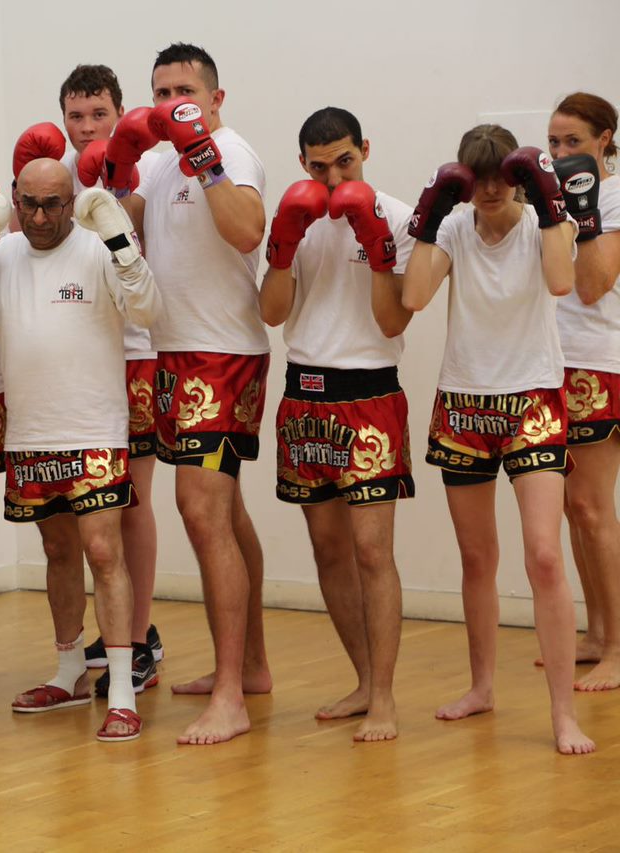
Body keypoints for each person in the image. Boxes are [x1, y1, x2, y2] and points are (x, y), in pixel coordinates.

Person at [401, 123, 594, 754]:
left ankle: (564, 713)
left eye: (496, 178)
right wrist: (429, 219)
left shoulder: (545, 222)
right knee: (477, 557)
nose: (486, 190)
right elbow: (415, 295)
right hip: (464, 402)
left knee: (543, 554)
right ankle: (482, 686)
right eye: (474, 178)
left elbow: (563, 283)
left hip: (532, 399)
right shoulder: (456, 227)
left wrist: (549, 205)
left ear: (515, 176)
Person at [0, 159, 161, 741]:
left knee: (102, 549)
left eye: (53, 205)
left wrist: (120, 238)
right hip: (30, 431)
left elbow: (147, 310)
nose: (40, 217)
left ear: (73, 202)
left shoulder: (97, 248)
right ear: (14, 200)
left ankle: (120, 689)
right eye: (28, 204)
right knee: (57, 550)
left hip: (93, 427)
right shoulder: (2, 254)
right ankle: (68, 670)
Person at [119, 43, 270, 744]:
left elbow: (247, 230)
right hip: (173, 352)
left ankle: (233, 694)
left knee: (199, 509)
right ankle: (252, 667)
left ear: (215, 97)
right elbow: (122, 238)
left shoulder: (232, 150)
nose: (171, 100)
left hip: (224, 354)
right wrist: (117, 168)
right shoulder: (151, 158)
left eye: (184, 89)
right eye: (160, 91)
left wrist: (200, 153)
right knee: (226, 512)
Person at [258, 108, 415, 741]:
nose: (332, 176)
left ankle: (386, 697)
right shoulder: (296, 210)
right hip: (304, 394)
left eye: (344, 162)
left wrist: (377, 248)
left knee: (373, 552)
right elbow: (273, 314)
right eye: (319, 166)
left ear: (365, 151)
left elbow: (393, 322)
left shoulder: (399, 217)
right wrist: (281, 246)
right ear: (303, 164)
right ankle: (362, 680)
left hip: (370, 392)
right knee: (328, 551)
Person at [56, 63, 165, 697]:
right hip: (77, 355)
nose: (88, 126)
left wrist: (114, 180)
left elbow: (135, 229)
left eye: (100, 114)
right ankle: (106, 632)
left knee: (134, 501)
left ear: (120, 115)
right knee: (87, 507)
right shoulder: (53, 174)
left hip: (135, 350)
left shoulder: (144, 165)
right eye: (77, 115)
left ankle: (142, 635)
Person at [546, 93, 620, 690]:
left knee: (594, 509)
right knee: (574, 507)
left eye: (573, 142)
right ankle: (597, 632)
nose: (562, 153)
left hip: (600, 363)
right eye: (554, 143)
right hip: (555, 363)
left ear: (604, 140)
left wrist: (587, 206)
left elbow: (593, 286)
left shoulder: (615, 194)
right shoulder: (558, 199)